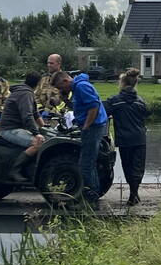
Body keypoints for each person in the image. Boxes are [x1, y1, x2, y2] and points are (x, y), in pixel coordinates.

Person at [52, 70, 109, 204]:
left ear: (65, 81)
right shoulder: (78, 87)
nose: (62, 89)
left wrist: (86, 126)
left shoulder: (81, 86)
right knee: (89, 162)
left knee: (85, 164)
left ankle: (91, 197)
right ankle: (93, 193)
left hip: (93, 128)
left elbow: (94, 106)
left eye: (61, 87)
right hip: (93, 127)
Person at [104, 68, 150, 206]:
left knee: (128, 166)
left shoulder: (114, 101)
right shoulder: (140, 102)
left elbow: (103, 112)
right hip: (139, 138)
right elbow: (147, 114)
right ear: (136, 84)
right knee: (138, 167)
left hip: (124, 140)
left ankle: (133, 195)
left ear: (122, 84)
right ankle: (134, 193)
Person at [0, 71, 45, 183]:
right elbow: (27, 116)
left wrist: (44, 127)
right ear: (38, 84)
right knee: (38, 143)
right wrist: (36, 133)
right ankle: (15, 170)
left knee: (44, 138)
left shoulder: (25, 92)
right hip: (10, 129)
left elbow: (35, 113)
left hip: (16, 128)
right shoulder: (25, 94)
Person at [36, 54, 66, 123]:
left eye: (51, 63)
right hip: (40, 115)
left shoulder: (65, 79)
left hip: (57, 117)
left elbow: (65, 100)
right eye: (48, 63)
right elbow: (36, 96)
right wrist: (39, 109)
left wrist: (52, 112)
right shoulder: (43, 79)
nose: (49, 65)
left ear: (59, 64)